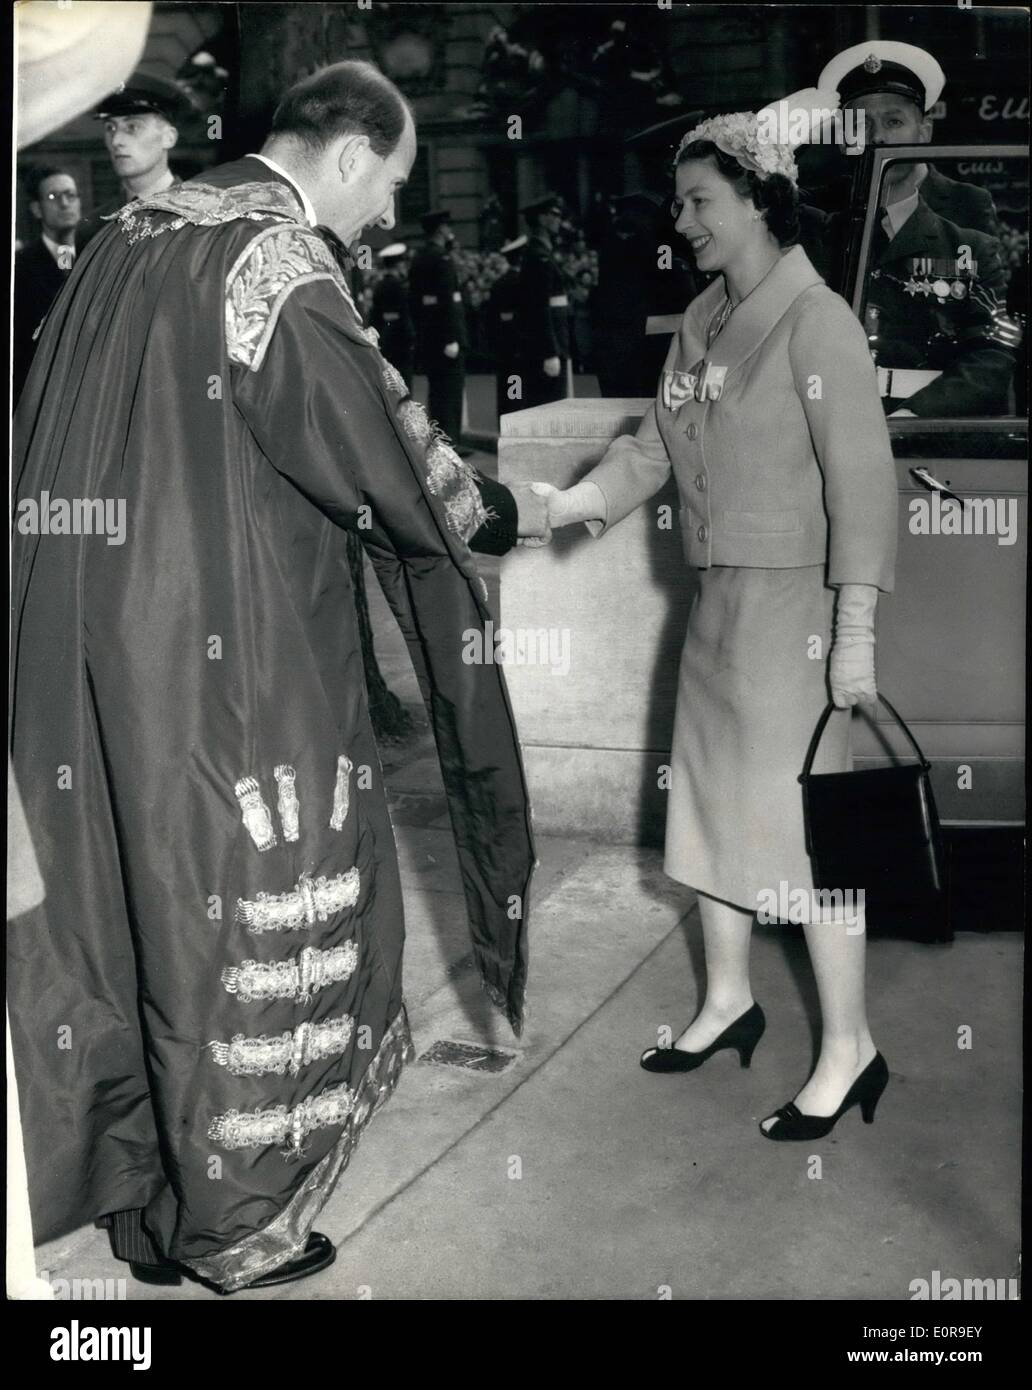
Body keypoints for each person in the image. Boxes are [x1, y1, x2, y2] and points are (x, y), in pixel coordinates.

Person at [10, 60, 538, 1296]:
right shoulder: (280, 268)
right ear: (349, 156)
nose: (389, 217)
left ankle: (145, 1201)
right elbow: (384, 453)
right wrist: (495, 510)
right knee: (243, 895)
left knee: (125, 892)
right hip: (229, 643)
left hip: (93, 632)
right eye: (393, 185)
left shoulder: (131, 232)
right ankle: (237, 1219)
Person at [533, 92, 899, 1141]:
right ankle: (730, 1001)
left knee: (810, 838)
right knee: (710, 806)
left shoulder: (817, 318)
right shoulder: (703, 320)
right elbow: (656, 444)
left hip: (802, 609)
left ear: (757, 201)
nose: (681, 221)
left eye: (698, 201)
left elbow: (863, 485)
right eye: (679, 202)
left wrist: (857, 632)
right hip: (721, 600)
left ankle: (849, 1047)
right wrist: (575, 504)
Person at [817, 42, 1001, 240]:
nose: (878, 136)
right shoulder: (820, 208)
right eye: (861, 124)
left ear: (925, 131)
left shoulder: (967, 204)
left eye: (894, 122)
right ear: (843, 140)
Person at [77, 73, 190, 246]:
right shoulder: (92, 228)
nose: (116, 141)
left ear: (169, 138)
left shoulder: (196, 218)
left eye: (132, 127)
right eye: (110, 127)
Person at [13, 166, 81, 404]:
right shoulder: (19, 269)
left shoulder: (94, 256)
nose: (65, 204)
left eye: (70, 195)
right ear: (36, 209)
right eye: (53, 197)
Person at [408, 208, 467, 447]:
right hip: (445, 338)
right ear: (440, 229)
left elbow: (419, 301)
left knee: (438, 392)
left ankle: (442, 442)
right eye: (447, 226)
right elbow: (446, 301)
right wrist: (451, 336)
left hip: (431, 336)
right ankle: (450, 443)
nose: (450, 230)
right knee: (449, 393)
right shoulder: (440, 258)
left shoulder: (421, 256)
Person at [517, 194, 571, 407]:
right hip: (548, 348)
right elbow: (538, 308)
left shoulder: (543, 254)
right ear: (541, 219)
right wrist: (550, 352)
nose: (559, 219)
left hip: (555, 342)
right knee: (549, 408)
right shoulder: (538, 256)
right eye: (554, 214)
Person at [489, 234, 526, 422]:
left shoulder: (499, 284)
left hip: (504, 346)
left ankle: (506, 422)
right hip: (519, 346)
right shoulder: (523, 283)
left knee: (507, 389)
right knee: (517, 391)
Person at [370, 241, 415, 390]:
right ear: (399, 264)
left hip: (386, 341)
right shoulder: (397, 286)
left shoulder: (381, 285)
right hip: (399, 344)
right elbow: (402, 317)